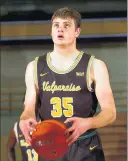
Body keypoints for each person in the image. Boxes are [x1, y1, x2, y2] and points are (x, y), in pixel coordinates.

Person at [19, 7, 116, 161]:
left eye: (66, 25)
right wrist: (25, 118)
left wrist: (89, 122)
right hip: (49, 144)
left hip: (84, 147)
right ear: (51, 31)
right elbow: (29, 107)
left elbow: (110, 113)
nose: (60, 29)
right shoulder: (34, 66)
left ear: (77, 31)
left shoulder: (95, 66)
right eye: (56, 25)